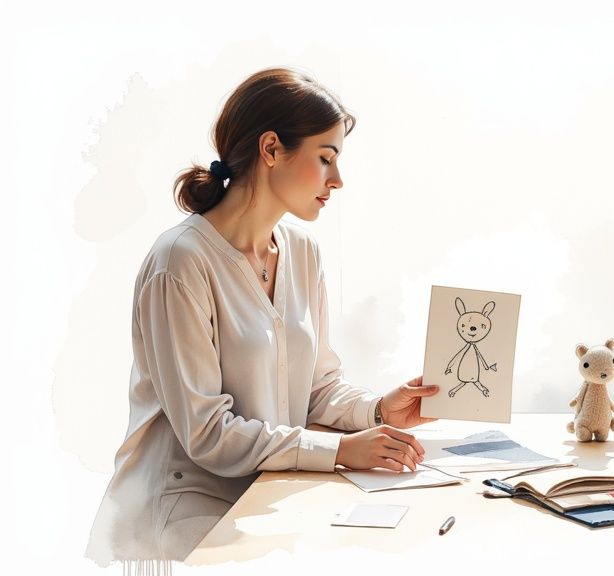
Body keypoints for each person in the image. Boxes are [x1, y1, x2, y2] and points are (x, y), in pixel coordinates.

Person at [86, 67, 440, 564]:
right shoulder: (180, 262)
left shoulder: (303, 252)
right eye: (325, 158)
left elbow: (315, 389)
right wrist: (340, 451)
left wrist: (379, 410)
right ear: (271, 149)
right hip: (176, 525)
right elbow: (207, 432)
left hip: (264, 502)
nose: (337, 180)